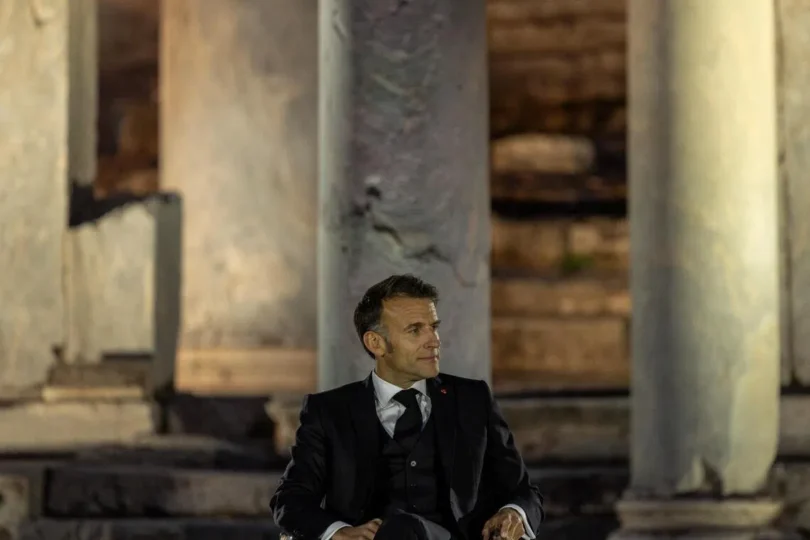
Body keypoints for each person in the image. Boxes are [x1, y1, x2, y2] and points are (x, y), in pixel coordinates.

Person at [270, 274, 544, 540]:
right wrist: (338, 532)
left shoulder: (472, 399)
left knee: (406, 527)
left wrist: (514, 513)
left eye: (433, 327)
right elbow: (290, 499)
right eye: (415, 330)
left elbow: (523, 491)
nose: (434, 340)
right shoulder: (329, 411)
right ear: (376, 343)